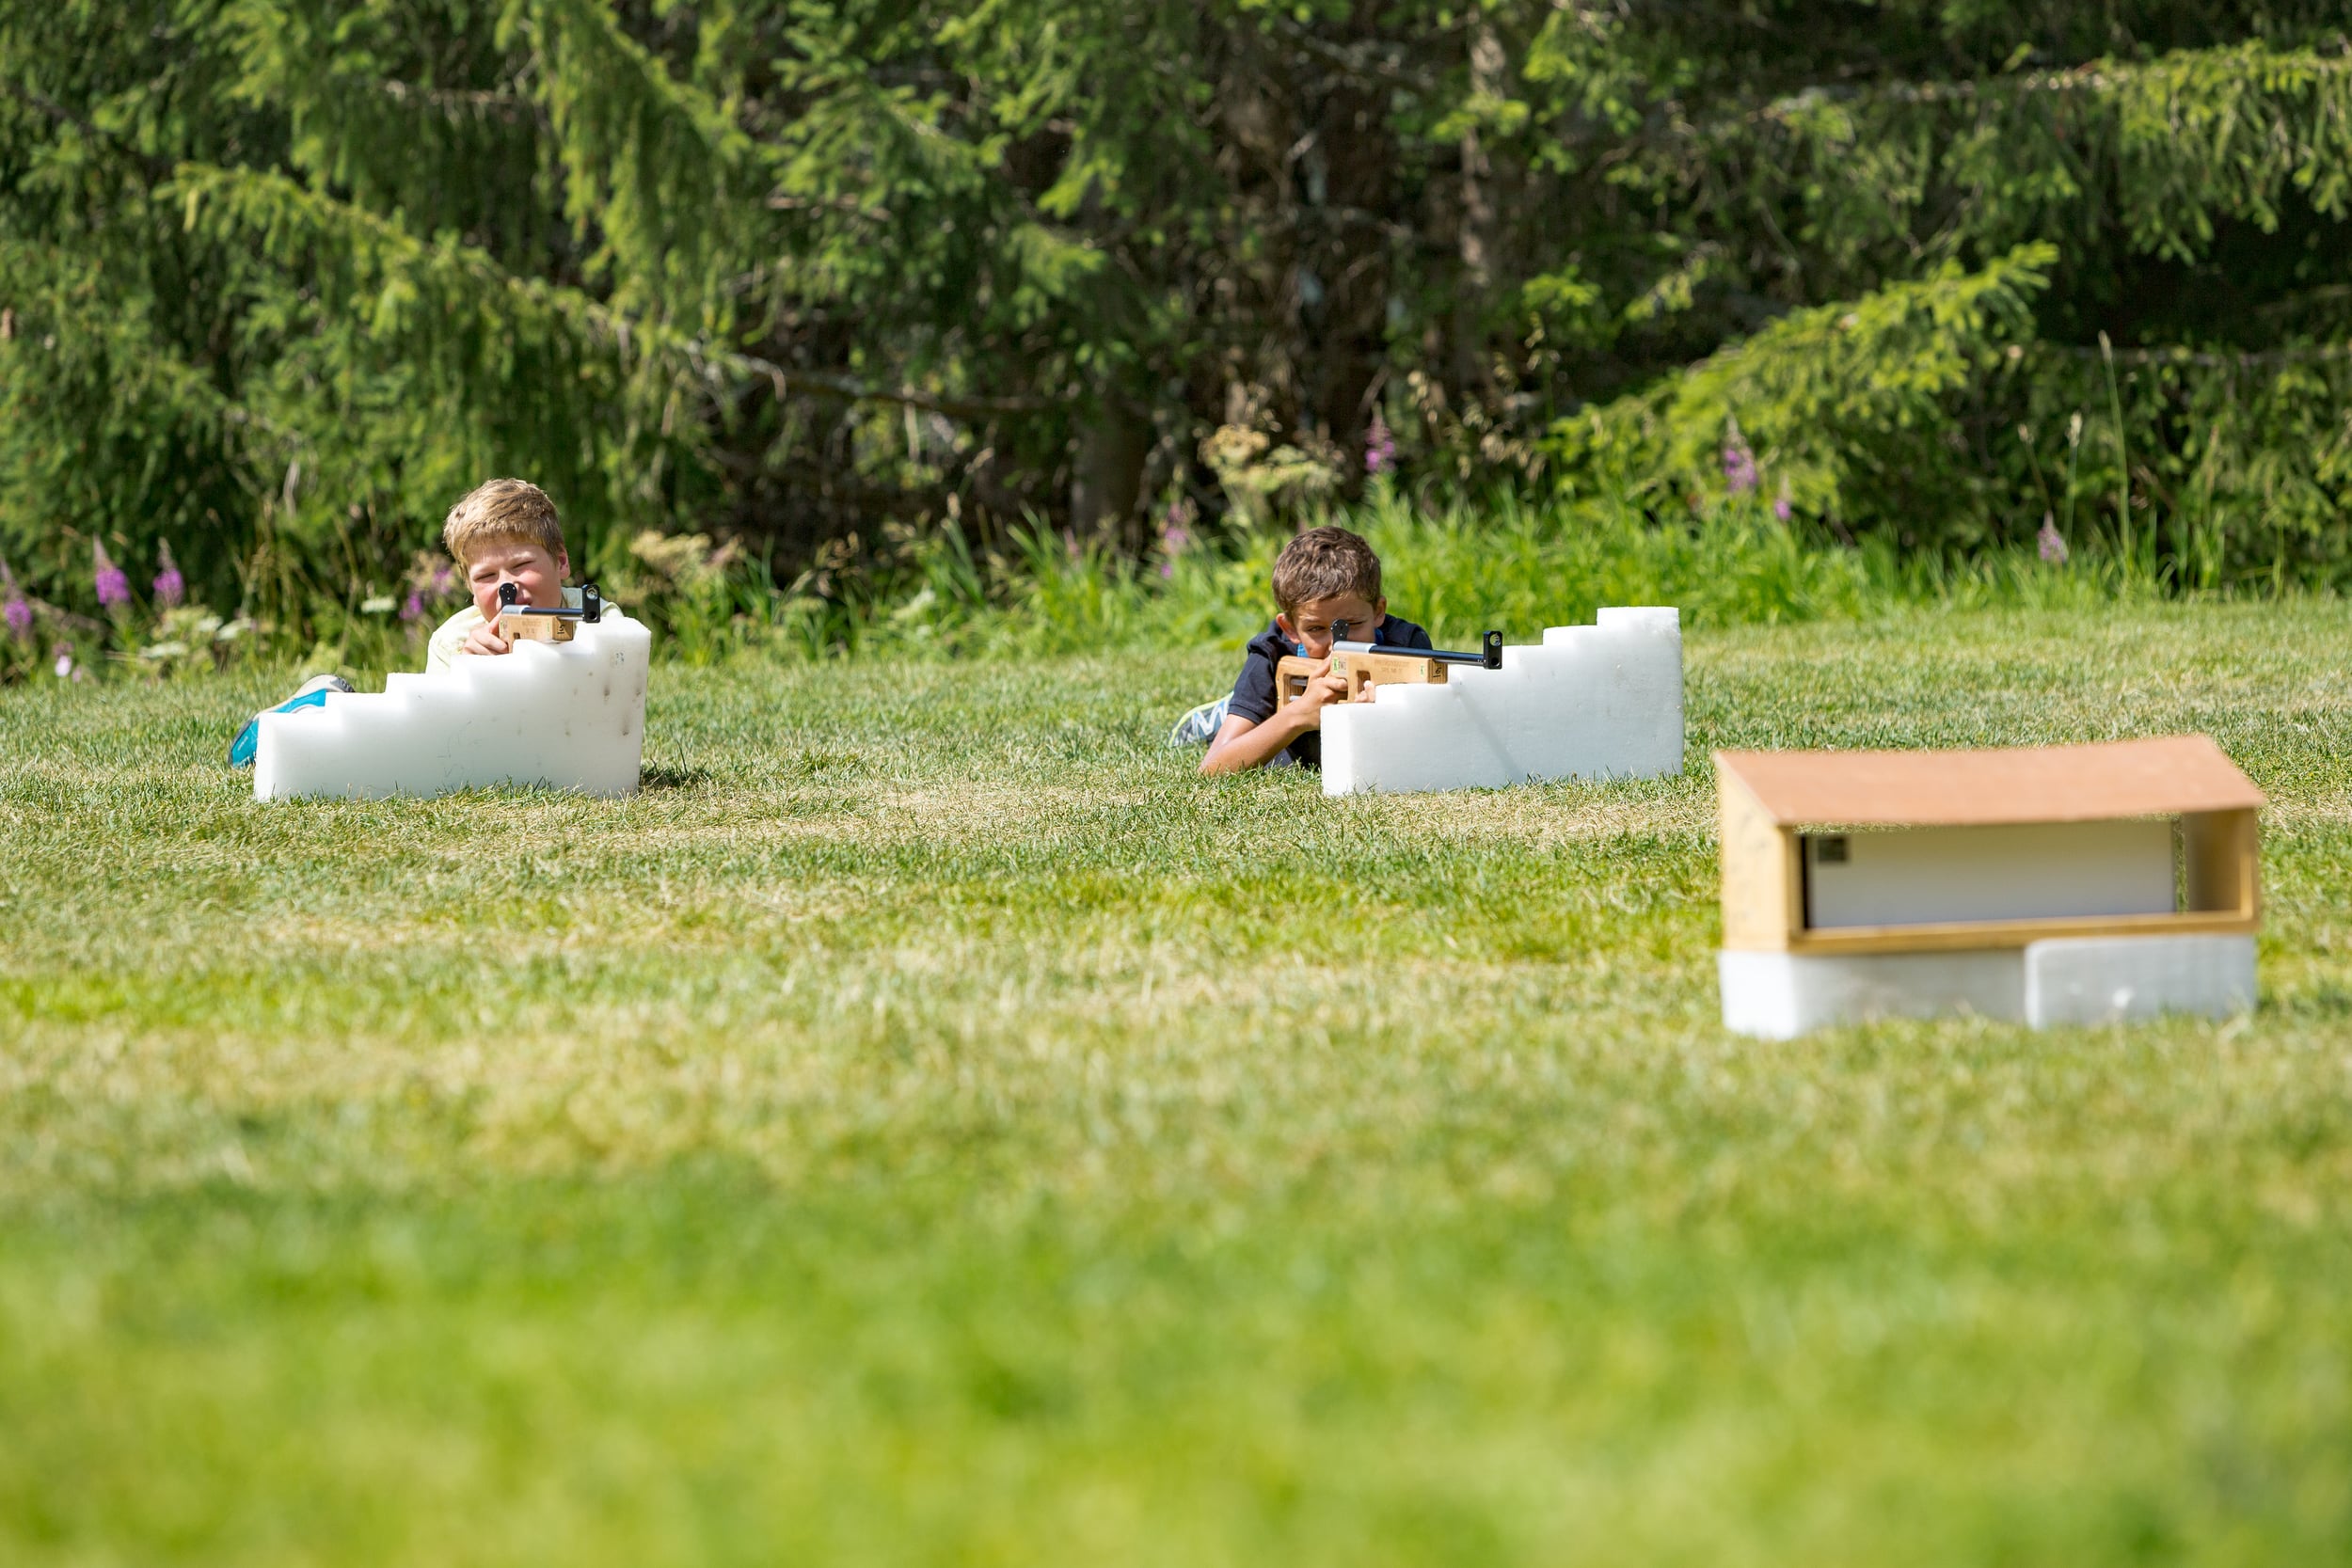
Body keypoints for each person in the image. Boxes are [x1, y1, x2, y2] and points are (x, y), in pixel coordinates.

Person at [229, 478, 603, 766]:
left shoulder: (598, 620)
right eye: (487, 577)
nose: (508, 587)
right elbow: (440, 738)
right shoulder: (453, 641)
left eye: (522, 565)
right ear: (470, 589)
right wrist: (468, 675)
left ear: (561, 562)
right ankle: (312, 714)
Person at [1187, 525, 1433, 775]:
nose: (1336, 645)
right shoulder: (1273, 653)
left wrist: (1383, 717)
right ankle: (1217, 713)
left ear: (1379, 611)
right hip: (1266, 714)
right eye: (1316, 629)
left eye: (1354, 625)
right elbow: (1211, 768)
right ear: (1290, 628)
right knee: (1243, 716)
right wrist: (1300, 714)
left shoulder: (1408, 649)